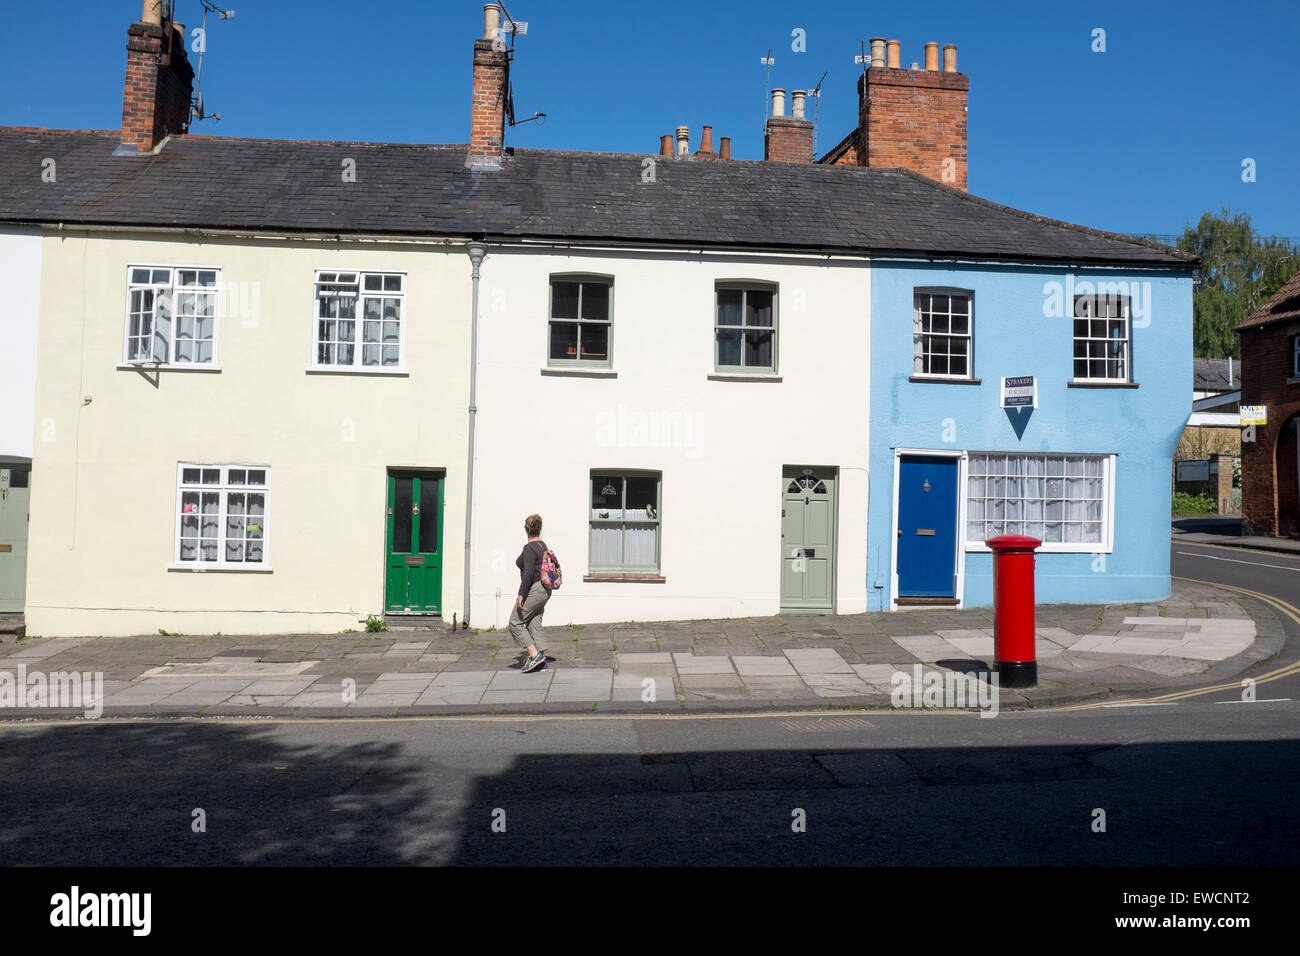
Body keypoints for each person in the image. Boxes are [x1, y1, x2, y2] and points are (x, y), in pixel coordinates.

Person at [511, 513, 551, 672]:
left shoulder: (529, 548)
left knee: (515, 621)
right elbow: (521, 562)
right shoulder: (543, 546)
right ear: (539, 529)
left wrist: (521, 594)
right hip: (545, 590)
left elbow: (527, 573)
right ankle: (541, 661)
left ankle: (535, 656)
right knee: (534, 622)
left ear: (526, 529)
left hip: (534, 589)